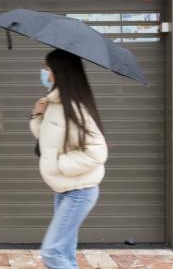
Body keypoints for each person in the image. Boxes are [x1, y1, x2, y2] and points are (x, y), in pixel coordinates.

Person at [30, 49, 108, 269]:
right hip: (64, 189)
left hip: (80, 191)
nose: (44, 73)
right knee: (65, 249)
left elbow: (98, 152)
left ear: (60, 72)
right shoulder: (55, 104)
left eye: (48, 68)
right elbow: (48, 139)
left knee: (52, 252)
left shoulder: (74, 108)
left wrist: (60, 165)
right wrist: (38, 115)